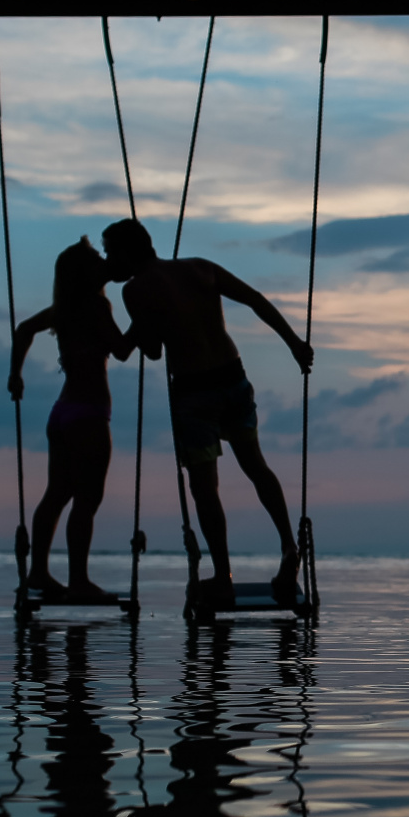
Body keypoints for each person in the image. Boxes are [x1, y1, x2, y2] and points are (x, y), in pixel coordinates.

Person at [101, 218, 313, 604]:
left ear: (128, 253)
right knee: (255, 466)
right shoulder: (200, 267)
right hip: (233, 378)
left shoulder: (135, 290)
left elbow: (152, 351)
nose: (106, 260)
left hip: (194, 392)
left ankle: (222, 574)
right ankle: (288, 546)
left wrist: (135, 323)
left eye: (109, 252)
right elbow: (255, 299)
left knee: (204, 488)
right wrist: (294, 344)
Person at [8, 237, 136, 599]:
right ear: (86, 272)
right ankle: (78, 579)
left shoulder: (64, 308)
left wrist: (15, 373)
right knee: (87, 499)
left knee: (57, 494)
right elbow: (123, 351)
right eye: (97, 259)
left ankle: (39, 573)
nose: (103, 263)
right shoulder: (96, 306)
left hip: (61, 413)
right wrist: (145, 319)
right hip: (89, 414)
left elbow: (23, 330)